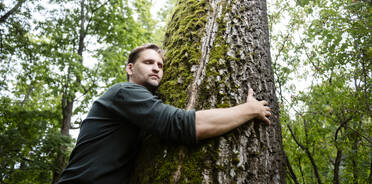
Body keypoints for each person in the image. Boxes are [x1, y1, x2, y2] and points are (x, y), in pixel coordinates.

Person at [57, 43, 271, 183]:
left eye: (160, 65)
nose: (157, 68)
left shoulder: (134, 109)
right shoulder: (124, 92)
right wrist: (249, 109)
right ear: (130, 69)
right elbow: (182, 124)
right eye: (148, 62)